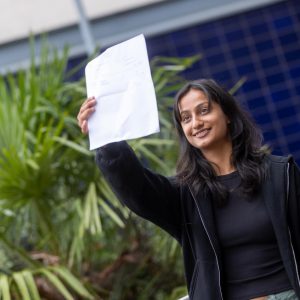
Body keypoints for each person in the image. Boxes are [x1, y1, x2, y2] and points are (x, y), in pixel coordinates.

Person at [77, 79, 300, 300]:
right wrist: (106, 139)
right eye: (186, 118)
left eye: (204, 111)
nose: (196, 123)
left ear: (228, 115)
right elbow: (138, 189)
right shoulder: (186, 195)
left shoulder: (280, 175)